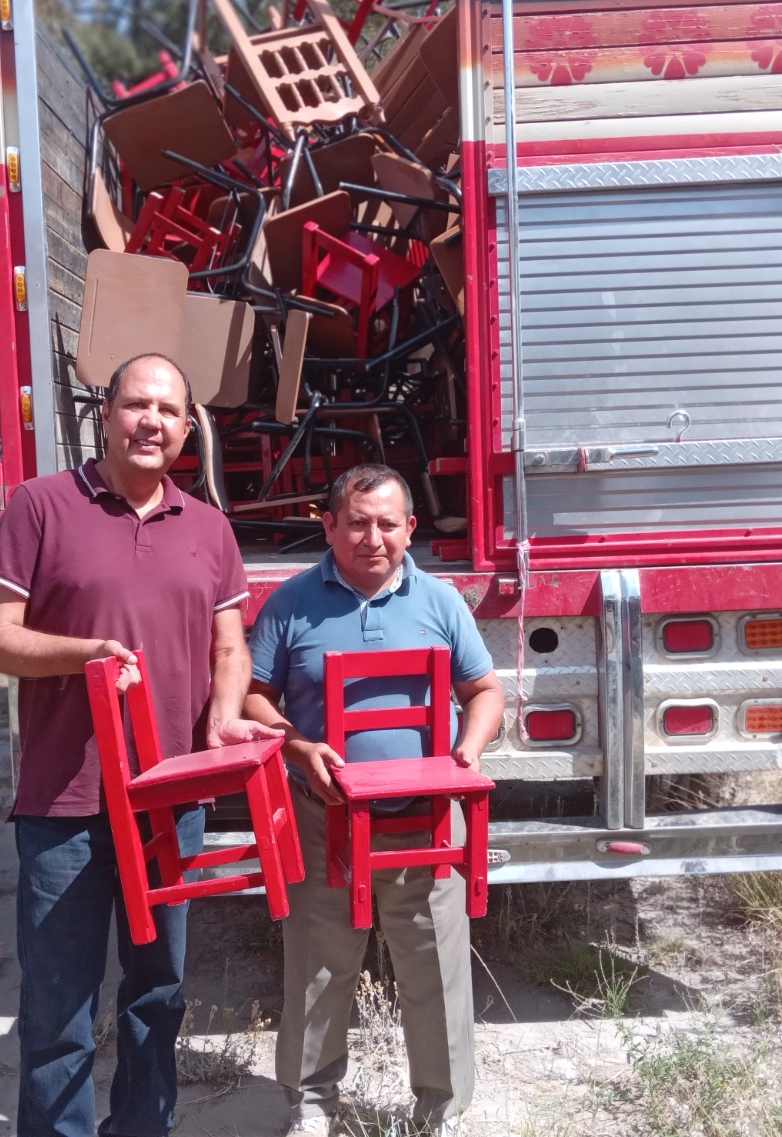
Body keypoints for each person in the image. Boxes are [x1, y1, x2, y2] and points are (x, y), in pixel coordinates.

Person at [0, 352, 279, 1137]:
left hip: (169, 801)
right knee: (56, 1005)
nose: (152, 422)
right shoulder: (41, 505)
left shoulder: (209, 527)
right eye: (137, 405)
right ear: (103, 415)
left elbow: (230, 646)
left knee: (157, 992)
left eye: (170, 412)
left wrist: (223, 712)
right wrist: (84, 653)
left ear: (188, 431)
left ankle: (143, 1126)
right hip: (64, 800)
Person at [243, 464, 506, 1137]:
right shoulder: (290, 604)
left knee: (435, 965)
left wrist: (467, 753)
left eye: (387, 524)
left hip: (426, 820)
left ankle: (440, 1109)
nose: (372, 538)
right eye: (356, 522)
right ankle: (310, 1105)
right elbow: (254, 700)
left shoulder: (442, 601)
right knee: (319, 964)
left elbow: (484, 693)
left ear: (410, 528)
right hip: (321, 817)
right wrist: (301, 750)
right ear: (327, 525)